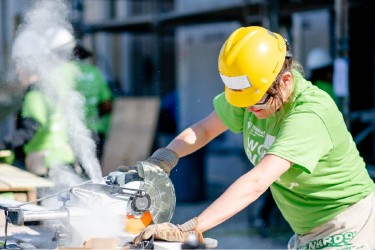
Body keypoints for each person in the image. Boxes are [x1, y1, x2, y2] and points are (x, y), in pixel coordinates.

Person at [132, 26, 375, 249]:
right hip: (308, 231)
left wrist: (190, 228)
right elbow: (205, 129)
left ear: (285, 81)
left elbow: (258, 181)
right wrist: (165, 156)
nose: (248, 109)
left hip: (349, 223)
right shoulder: (254, 93)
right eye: (241, 101)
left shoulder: (309, 114)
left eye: (254, 100)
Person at [0, 29, 76, 177]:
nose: (17, 72)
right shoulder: (50, 88)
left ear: (24, 67)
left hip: (47, 163)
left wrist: (4, 144)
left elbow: (29, 130)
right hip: (61, 158)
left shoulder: (35, 95)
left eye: (18, 66)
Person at [72, 44, 113, 162]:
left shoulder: (67, 73)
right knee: (94, 166)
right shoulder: (95, 73)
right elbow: (107, 103)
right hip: (95, 129)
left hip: (73, 131)